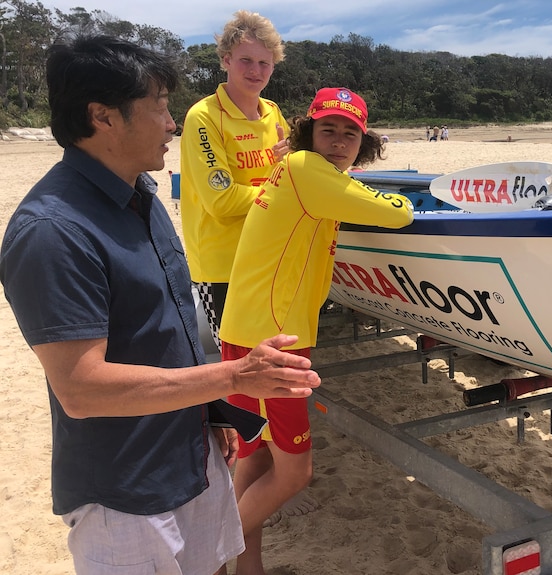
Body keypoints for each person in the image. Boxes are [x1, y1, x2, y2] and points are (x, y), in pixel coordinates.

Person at [0, 35, 320, 575]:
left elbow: (175, 315)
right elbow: (80, 388)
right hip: (127, 490)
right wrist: (235, 377)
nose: (173, 123)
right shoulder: (52, 231)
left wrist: (212, 412)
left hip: (191, 454)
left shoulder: (140, 195)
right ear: (103, 116)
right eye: (159, 106)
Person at [219, 87, 414, 575]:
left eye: (351, 133)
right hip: (272, 340)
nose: (339, 141)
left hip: (251, 329)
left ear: (362, 142)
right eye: (328, 129)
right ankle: (207, 553)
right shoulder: (308, 170)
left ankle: (246, 568)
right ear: (309, 132)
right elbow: (397, 213)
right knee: (295, 473)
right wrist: (385, 194)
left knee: (258, 459)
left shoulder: (297, 170)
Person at [180, 10, 288, 350]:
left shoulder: (272, 112)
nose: (255, 71)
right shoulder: (204, 116)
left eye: (264, 63)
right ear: (226, 59)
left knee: (274, 355)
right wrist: (280, 193)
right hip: (224, 265)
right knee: (238, 363)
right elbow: (223, 201)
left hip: (271, 257)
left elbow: (291, 171)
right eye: (246, 60)